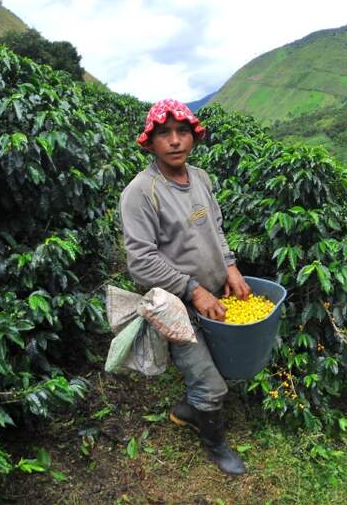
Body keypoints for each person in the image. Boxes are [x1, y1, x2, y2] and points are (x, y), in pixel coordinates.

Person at [118, 99, 251, 476]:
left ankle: (189, 408)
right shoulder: (141, 193)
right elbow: (141, 261)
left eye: (182, 132)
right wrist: (192, 289)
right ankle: (215, 443)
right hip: (176, 305)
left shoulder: (201, 178)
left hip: (214, 294)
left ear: (194, 137)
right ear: (150, 142)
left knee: (218, 363)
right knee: (210, 382)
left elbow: (215, 228)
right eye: (164, 134)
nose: (175, 141)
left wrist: (230, 266)